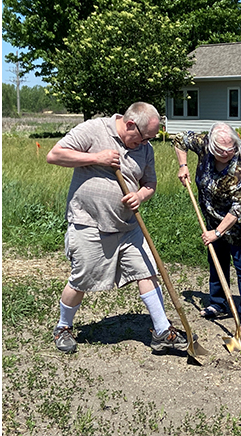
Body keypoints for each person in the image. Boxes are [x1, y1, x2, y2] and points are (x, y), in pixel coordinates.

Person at [46, 101, 188, 355]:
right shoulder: (94, 129)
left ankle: (162, 331)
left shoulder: (145, 148)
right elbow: (54, 155)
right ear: (131, 124)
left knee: (147, 271)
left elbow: (150, 183)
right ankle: (63, 327)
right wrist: (96, 158)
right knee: (81, 279)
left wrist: (141, 196)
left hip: (128, 226)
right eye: (144, 138)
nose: (146, 144)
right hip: (89, 223)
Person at [173, 122, 241, 333]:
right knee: (216, 259)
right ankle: (218, 303)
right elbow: (179, 139)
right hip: (212, 215)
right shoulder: (204, 144)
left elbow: (238, 209)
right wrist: (183, 165)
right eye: (220, 150)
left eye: (230, 149)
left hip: (239, 222)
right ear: (211, 144)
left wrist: (218, 233)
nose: (225, 153)